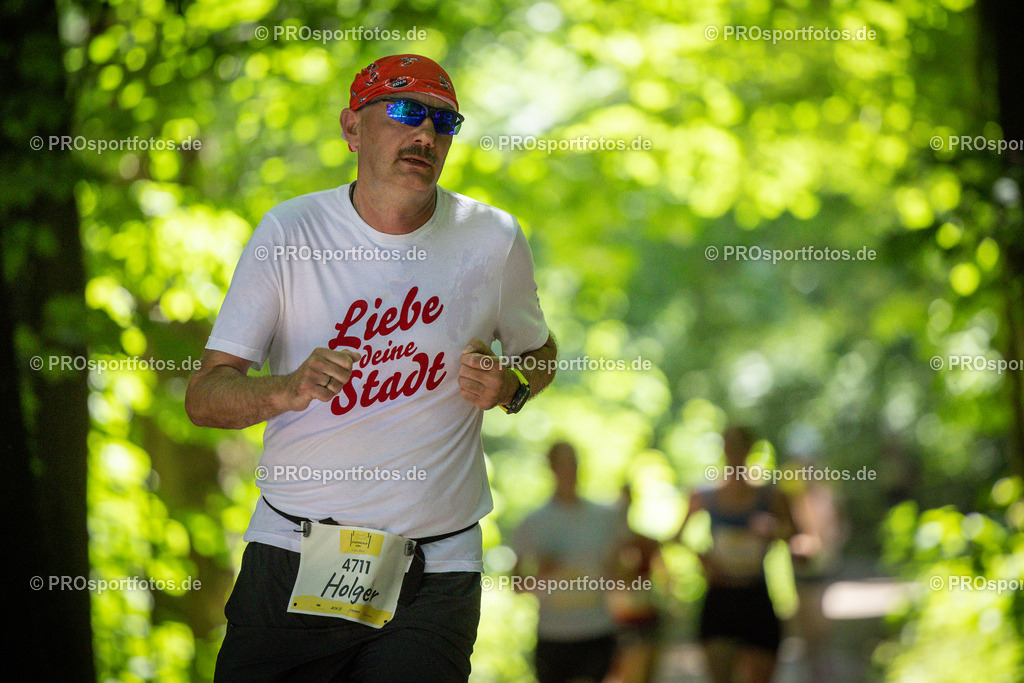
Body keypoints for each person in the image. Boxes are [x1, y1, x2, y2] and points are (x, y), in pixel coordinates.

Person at [185, 54, 557, 681]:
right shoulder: (290, 232)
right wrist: (286, 388)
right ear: (352, 128)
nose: (426, 135)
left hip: (436, 569)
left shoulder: (492, 237)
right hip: (295, 551)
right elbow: (204, 397)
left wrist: (513, 385)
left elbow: (540, 353)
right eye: (406, 112)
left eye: (444, 122)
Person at [679, 426, 795, 683]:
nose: (733, 453)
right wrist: (704, 560)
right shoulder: (704, 495)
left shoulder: (770, 495)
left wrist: (773, 531)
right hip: (719, 595)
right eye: (728, 447)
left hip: (756, 594)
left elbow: (793, 534)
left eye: (738, 447)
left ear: (750, 450)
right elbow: (678, 537)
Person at [510, 442, 627, 683]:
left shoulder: (605, 518)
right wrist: (543, 573)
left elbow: (622, 575)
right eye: (562, 463)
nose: (569, 469)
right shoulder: (532, 523)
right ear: (550, 468)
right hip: (553, 635)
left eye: (573, 462)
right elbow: (517, 586)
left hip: (597, 630)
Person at [606, 484, 666, 683]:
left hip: (645, 620)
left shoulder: (646, 542)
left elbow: (664, 578)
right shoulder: (605, 546)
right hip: (616, 622)